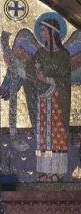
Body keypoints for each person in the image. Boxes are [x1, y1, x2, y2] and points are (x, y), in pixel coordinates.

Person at [26, 19, 71, 181]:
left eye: (44, 30)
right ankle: (45, 171)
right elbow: (31, 74)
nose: (41, 33)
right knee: (44, 135)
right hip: (43, 101)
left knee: (57, 134)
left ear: (52, 32)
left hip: (58, 101)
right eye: (41, 30)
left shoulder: (63, 55)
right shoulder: (40, 53)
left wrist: (47, 79)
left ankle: (57, 172)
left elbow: (65, 80)